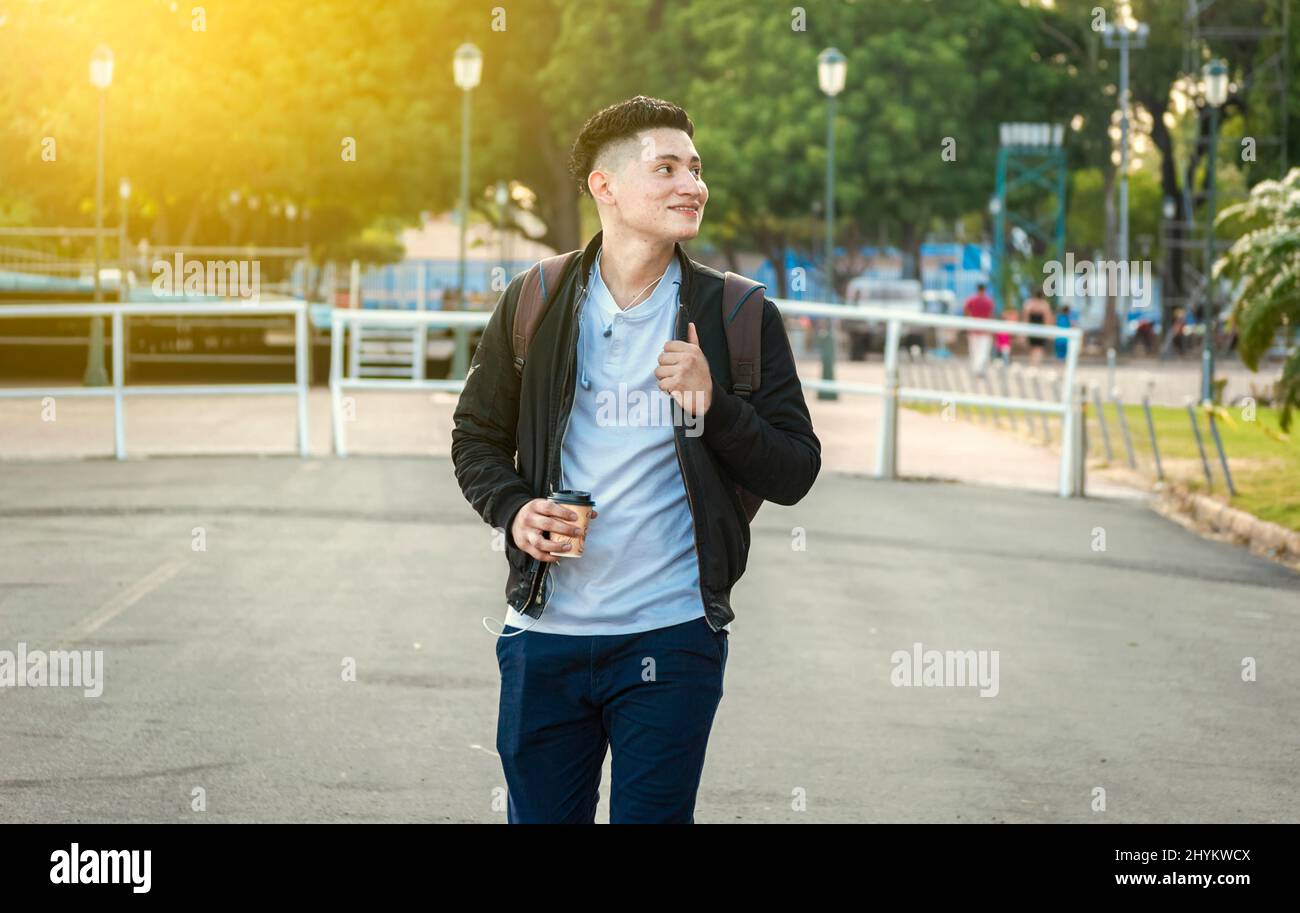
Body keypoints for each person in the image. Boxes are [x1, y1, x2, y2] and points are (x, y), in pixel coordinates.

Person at [450, 96, 821, 824]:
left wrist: (714, 403)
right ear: (605, 186)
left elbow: (795, 467)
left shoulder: (738, 314)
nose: (693, 185)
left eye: (696, 168)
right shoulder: (536, 299)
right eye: (667, 168)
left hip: (673, 635)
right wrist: (515, 509)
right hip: (544, 637)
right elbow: (475, 435)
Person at [962, 282, 995, 376]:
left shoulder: (971, 300)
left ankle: (975, 367)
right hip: (984, 328)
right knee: (983, 349)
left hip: (973, 327)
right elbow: (990, 314)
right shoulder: (988, 301)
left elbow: (966, 311)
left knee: (974, 349)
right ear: (984, 289)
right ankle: (979, 368)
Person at [1021, 285, 1053, 367]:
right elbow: (1047, 319)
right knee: (1038, 349)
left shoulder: (1028, 304)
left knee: (1032, 349)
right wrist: (1049, 332)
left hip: (1031, 329)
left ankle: (1033, 365)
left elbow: (1025, 318)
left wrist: (1023, 332)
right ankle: (1035, 365)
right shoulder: (1044, 305)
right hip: (1040, 330)